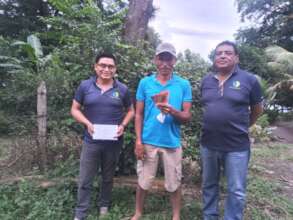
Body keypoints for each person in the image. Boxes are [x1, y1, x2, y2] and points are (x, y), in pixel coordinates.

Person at [200, 41, 263, 220]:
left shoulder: (249, 80)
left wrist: (244, 126)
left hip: (237, 147)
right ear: (214, 58)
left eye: (228, 53)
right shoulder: (206, 81)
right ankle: (209, 216)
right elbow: (207, 106)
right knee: (209, 185)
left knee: (236, 190)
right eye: (219, 53)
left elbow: (257, 109)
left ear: (236, 58)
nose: (222, 56)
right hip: (208, 144)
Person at [131, 42, 192, 220]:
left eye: (169, 58)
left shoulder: (183, 85)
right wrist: (138, 141)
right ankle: (138, 212)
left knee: (174, 182)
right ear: (155, 60)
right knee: (143, 180)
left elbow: (187, 117)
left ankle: (176, 216)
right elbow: (138, 114)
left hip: (172, 142)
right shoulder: (145, 83)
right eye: (161, 58)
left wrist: (171, 110)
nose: (165, 63)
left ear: (175, 60)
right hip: (148, 141)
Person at [71, 53, 134, 220]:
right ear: (96, 67)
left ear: (115, 69)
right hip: (91, 141)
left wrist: (123, 125)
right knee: (85, 178)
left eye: (110, 66)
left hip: (113, 142)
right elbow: (75, 109)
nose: (106, 69)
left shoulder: (122, 89)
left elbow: (131, 111)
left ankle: (104, 206)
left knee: (107, 176)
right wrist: (87, 123)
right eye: (103, 65)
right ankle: (80, 213)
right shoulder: (85, 86)